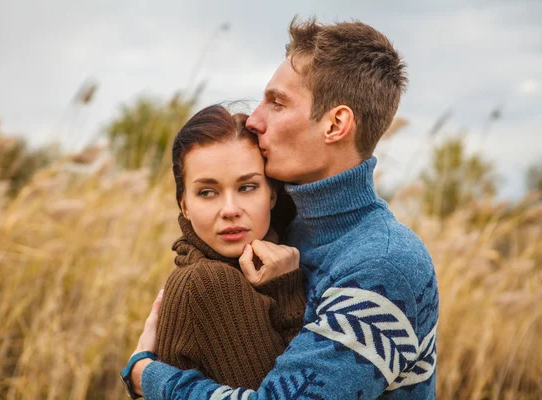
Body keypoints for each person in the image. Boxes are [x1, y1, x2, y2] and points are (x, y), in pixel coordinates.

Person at [126, 17, 439, 399]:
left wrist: (147, 376)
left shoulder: (382, 264)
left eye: (277, 103)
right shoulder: (284, 228)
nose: (255, 120)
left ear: (335, 124)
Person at [119, 104, 307, 398]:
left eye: (247, 187)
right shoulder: (207, 283)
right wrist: (287, 294)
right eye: (207, 192)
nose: (230, 210)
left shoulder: (258, 266)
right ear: (184, 204)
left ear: (271, 193)